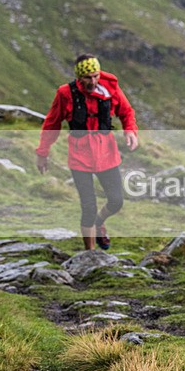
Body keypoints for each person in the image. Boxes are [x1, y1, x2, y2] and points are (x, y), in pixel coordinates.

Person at [36, 54, 138, 251]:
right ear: (78, 77)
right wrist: (43, 152)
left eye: (95, 76)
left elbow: (126, 112)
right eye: (88, 77)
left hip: (107, 154)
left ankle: (100, 223)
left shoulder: (110, 88)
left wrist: (130, 131)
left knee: (116, 201)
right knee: (88, 207)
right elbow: (52, 123)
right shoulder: (65, 94)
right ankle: (90, 255)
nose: (93, 81)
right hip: (80, 156)